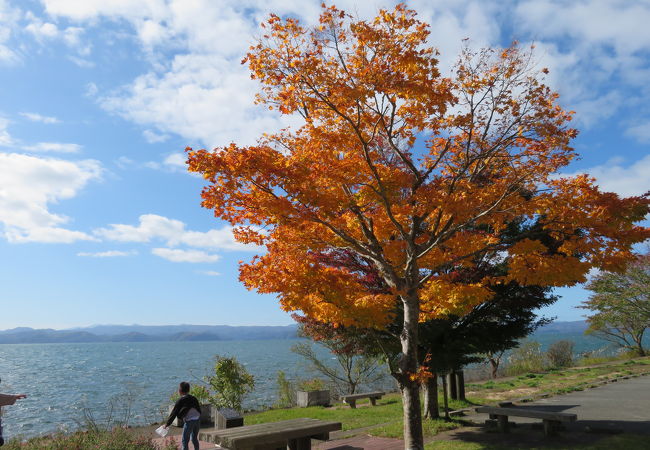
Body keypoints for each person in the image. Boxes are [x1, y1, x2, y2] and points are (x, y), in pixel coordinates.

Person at [163, 382, 201, 450]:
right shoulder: (193, 398)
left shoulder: (181, 400)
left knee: (185, 441)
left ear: (180, 390)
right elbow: (199, 409)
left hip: (189, 421)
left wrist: (167, 424)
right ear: (189, 390)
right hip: (197, 420)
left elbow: (174, 413)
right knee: (194, 438)